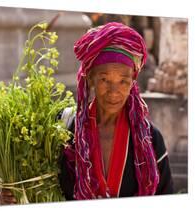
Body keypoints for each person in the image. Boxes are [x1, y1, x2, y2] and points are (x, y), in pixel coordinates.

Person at [58, 22, 173, 200]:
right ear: (91, 79)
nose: (114, 91)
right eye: (104, 79)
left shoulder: (150, 140)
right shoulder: (66, 131)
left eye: (123, 81)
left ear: (133, 83)